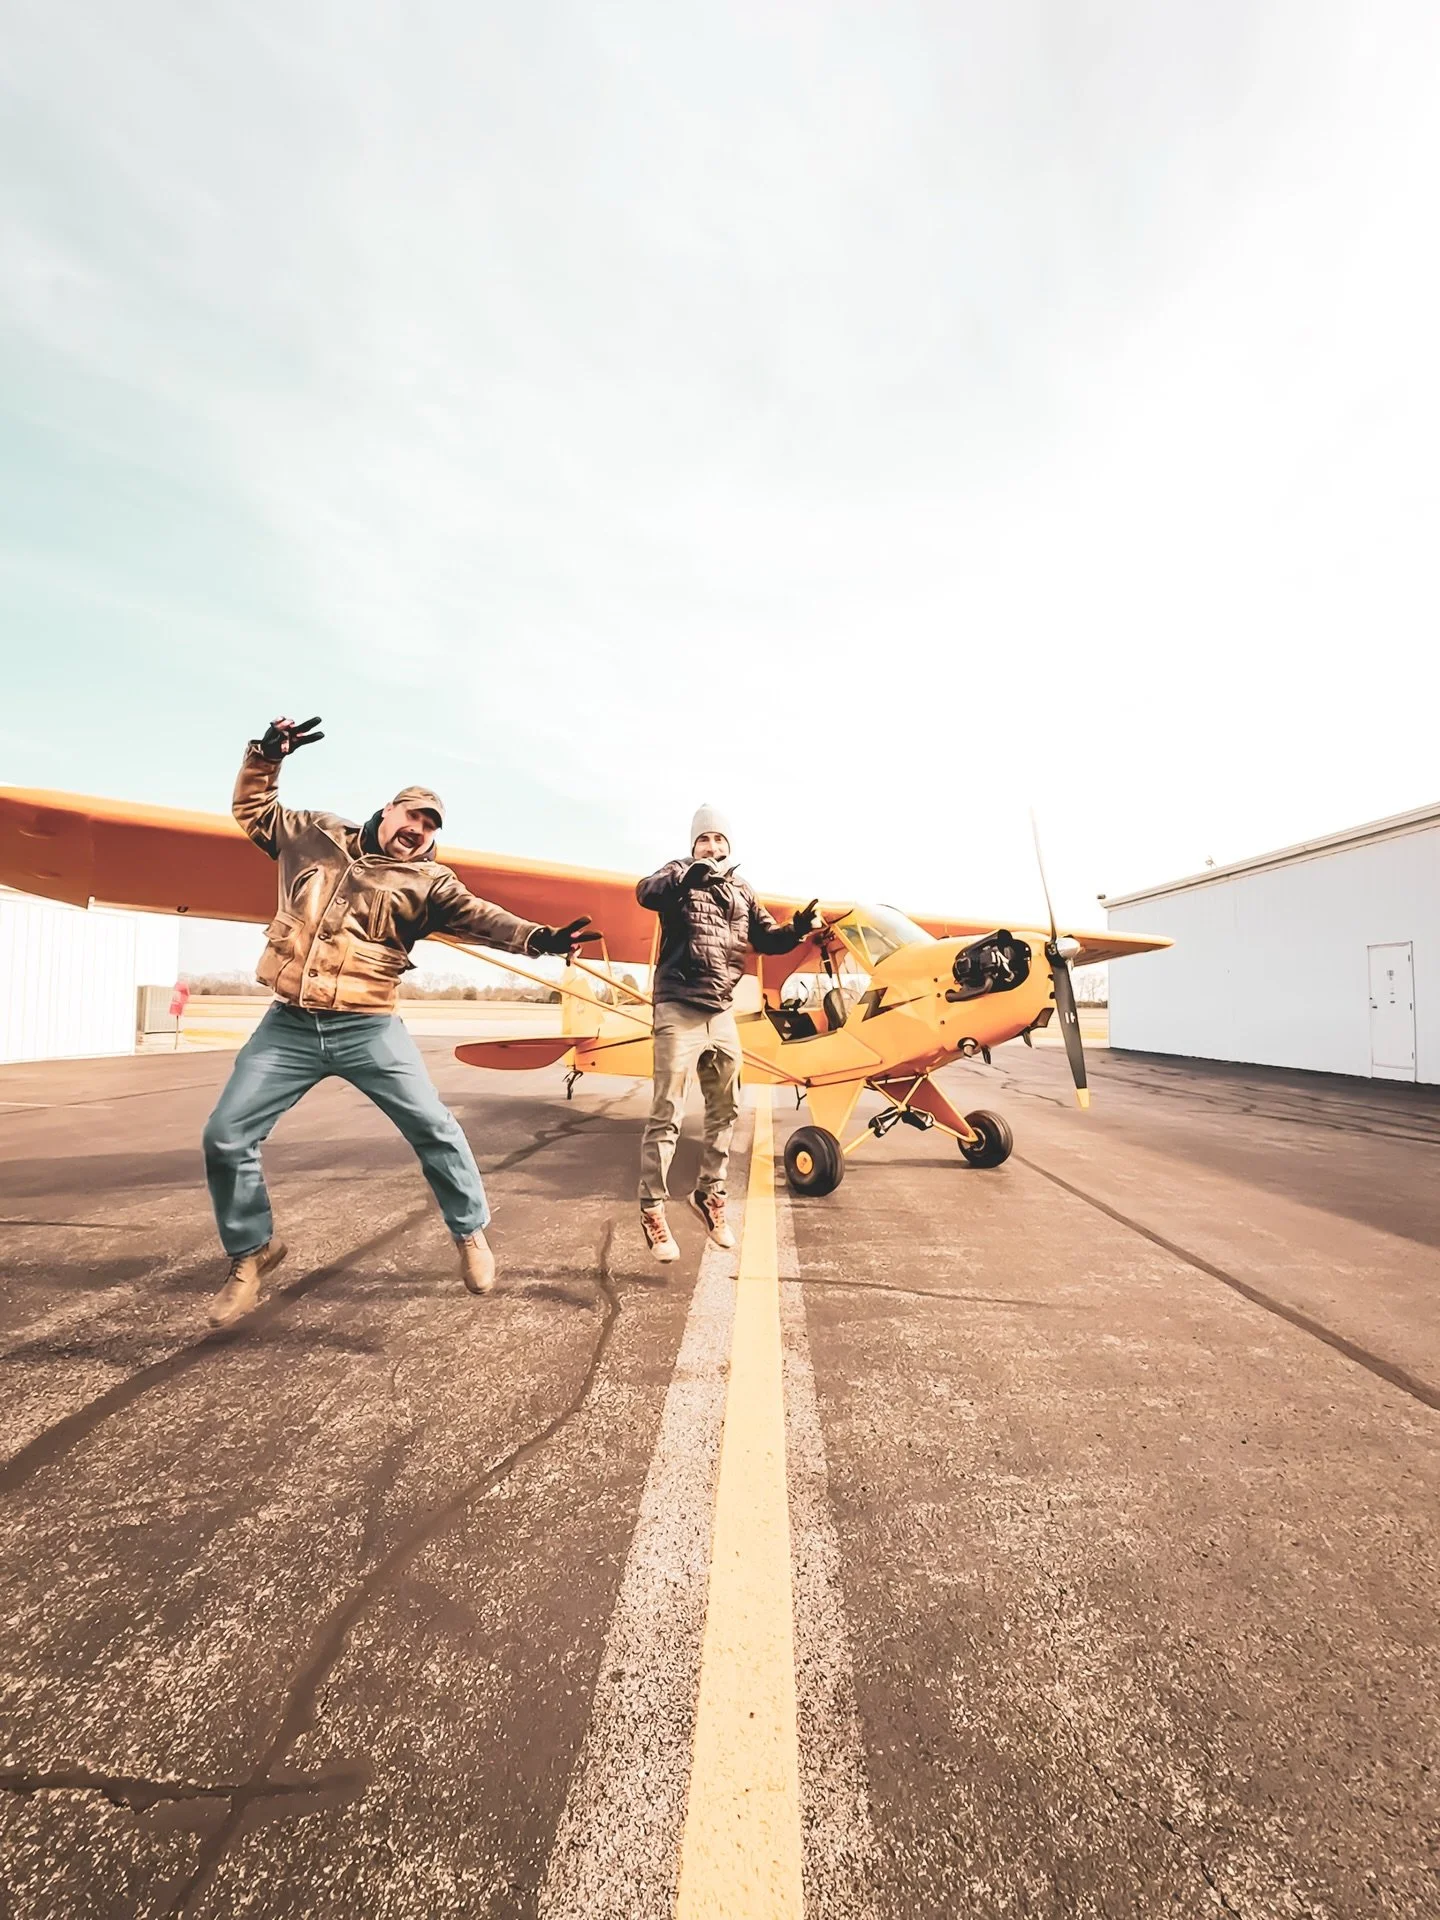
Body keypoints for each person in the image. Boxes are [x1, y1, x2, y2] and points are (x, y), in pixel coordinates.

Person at [202, 715, 596, 1327]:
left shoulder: (430, 882)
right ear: (386, 811)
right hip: (289, 1025)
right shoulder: (314, 834)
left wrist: (537, 938)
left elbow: (483, 916)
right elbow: (254, 808)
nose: (416, 830)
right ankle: (252, 1252)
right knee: (225, 1136)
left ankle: (470, 1235)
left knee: (435, 1128)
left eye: (429, 826)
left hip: (368, 1028)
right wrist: (266, 755)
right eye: (410, 815)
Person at [635, 804, 821, 1260]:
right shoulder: (678, 874)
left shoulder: (743, 890)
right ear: (693, 844)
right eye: (704, 839)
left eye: (719, 840)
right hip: (678, 1005)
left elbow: (767, 940)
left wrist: (796, 929)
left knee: (726, 1109)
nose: (712, 847)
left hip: (721, 1011)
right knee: (668, 1113)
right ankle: (652, 1208)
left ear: (730, 846)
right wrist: (688, 876)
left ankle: (710, 1193)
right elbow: (646, 892)